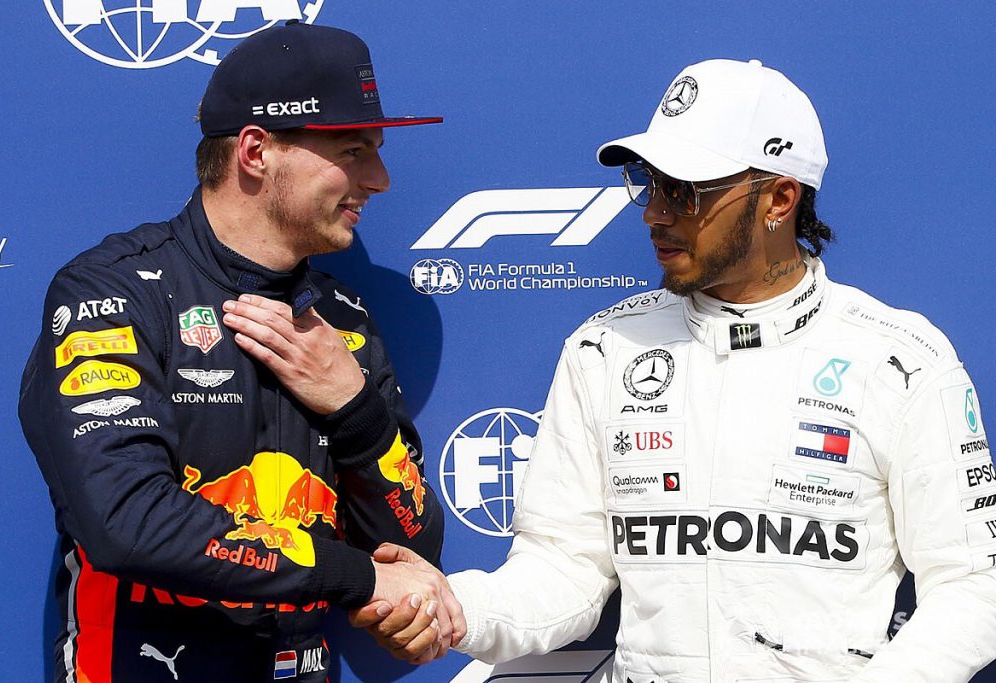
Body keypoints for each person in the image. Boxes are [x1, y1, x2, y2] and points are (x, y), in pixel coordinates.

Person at [352, 58, 996, 681]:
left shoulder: (900, 360)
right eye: (651, 183)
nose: (656, 212)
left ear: (779, 198)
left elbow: (975, 584)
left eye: (687, 191)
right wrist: (458, 609)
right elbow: (564, 569)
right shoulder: (605, 348)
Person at [19, 22, 460, 683]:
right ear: (256, 151)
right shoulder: (112, 293)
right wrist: (356, 576)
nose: (381, 178)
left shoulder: (345, 322)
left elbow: (414, 548)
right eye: (354, 150)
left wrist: (355, 411)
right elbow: (126, 519)